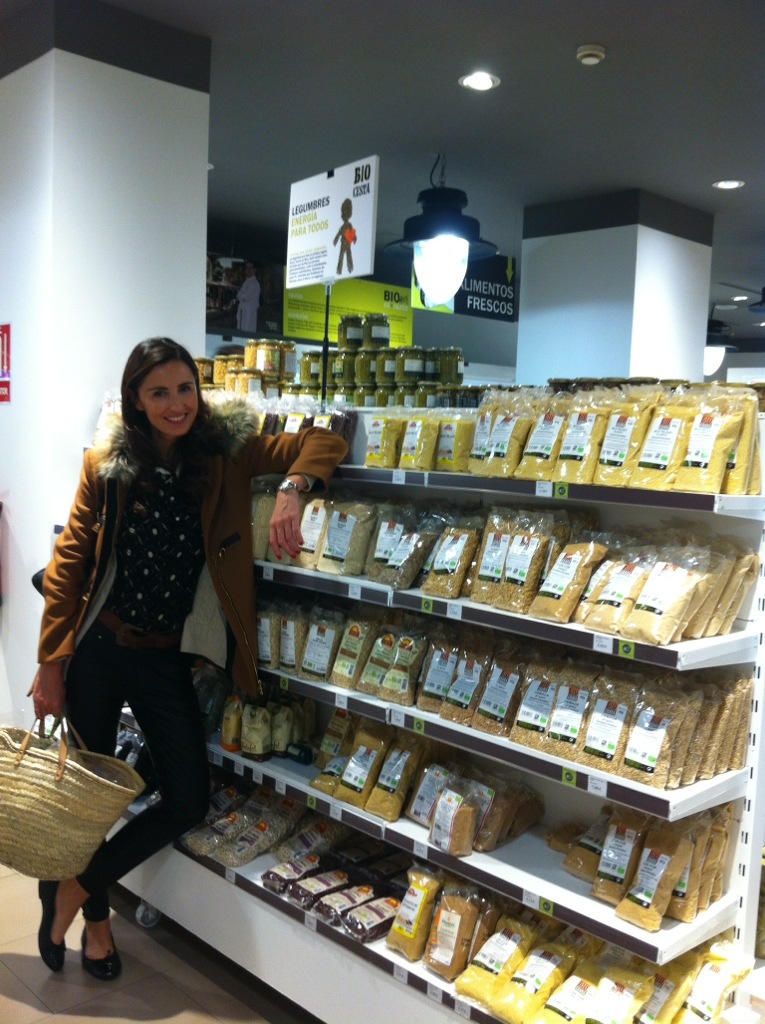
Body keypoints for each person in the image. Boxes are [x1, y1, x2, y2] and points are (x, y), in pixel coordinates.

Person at [31, 337, 348, 980]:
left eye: (185, 389)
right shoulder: (106, 466)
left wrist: (292, 489)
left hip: (167, 658)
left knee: (187, 798)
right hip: (99, 650)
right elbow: (69, 567)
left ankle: (75, 888)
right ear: (136, 400)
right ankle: (97, 927)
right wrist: (50, 663)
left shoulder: (225, 450)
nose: (176, 405)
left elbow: (325, 439)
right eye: (159, 393)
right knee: (88, 799)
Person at [236, 260, 261, 332]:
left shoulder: (254, 283)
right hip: (243, 311)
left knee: (248, 331)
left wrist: (240, 294)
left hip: (250, 312)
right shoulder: (246, 282)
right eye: (247, 268)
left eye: (250, 268)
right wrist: (240, 294)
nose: (248, 270)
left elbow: (245, 297)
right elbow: (239, 295)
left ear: (254, 270)